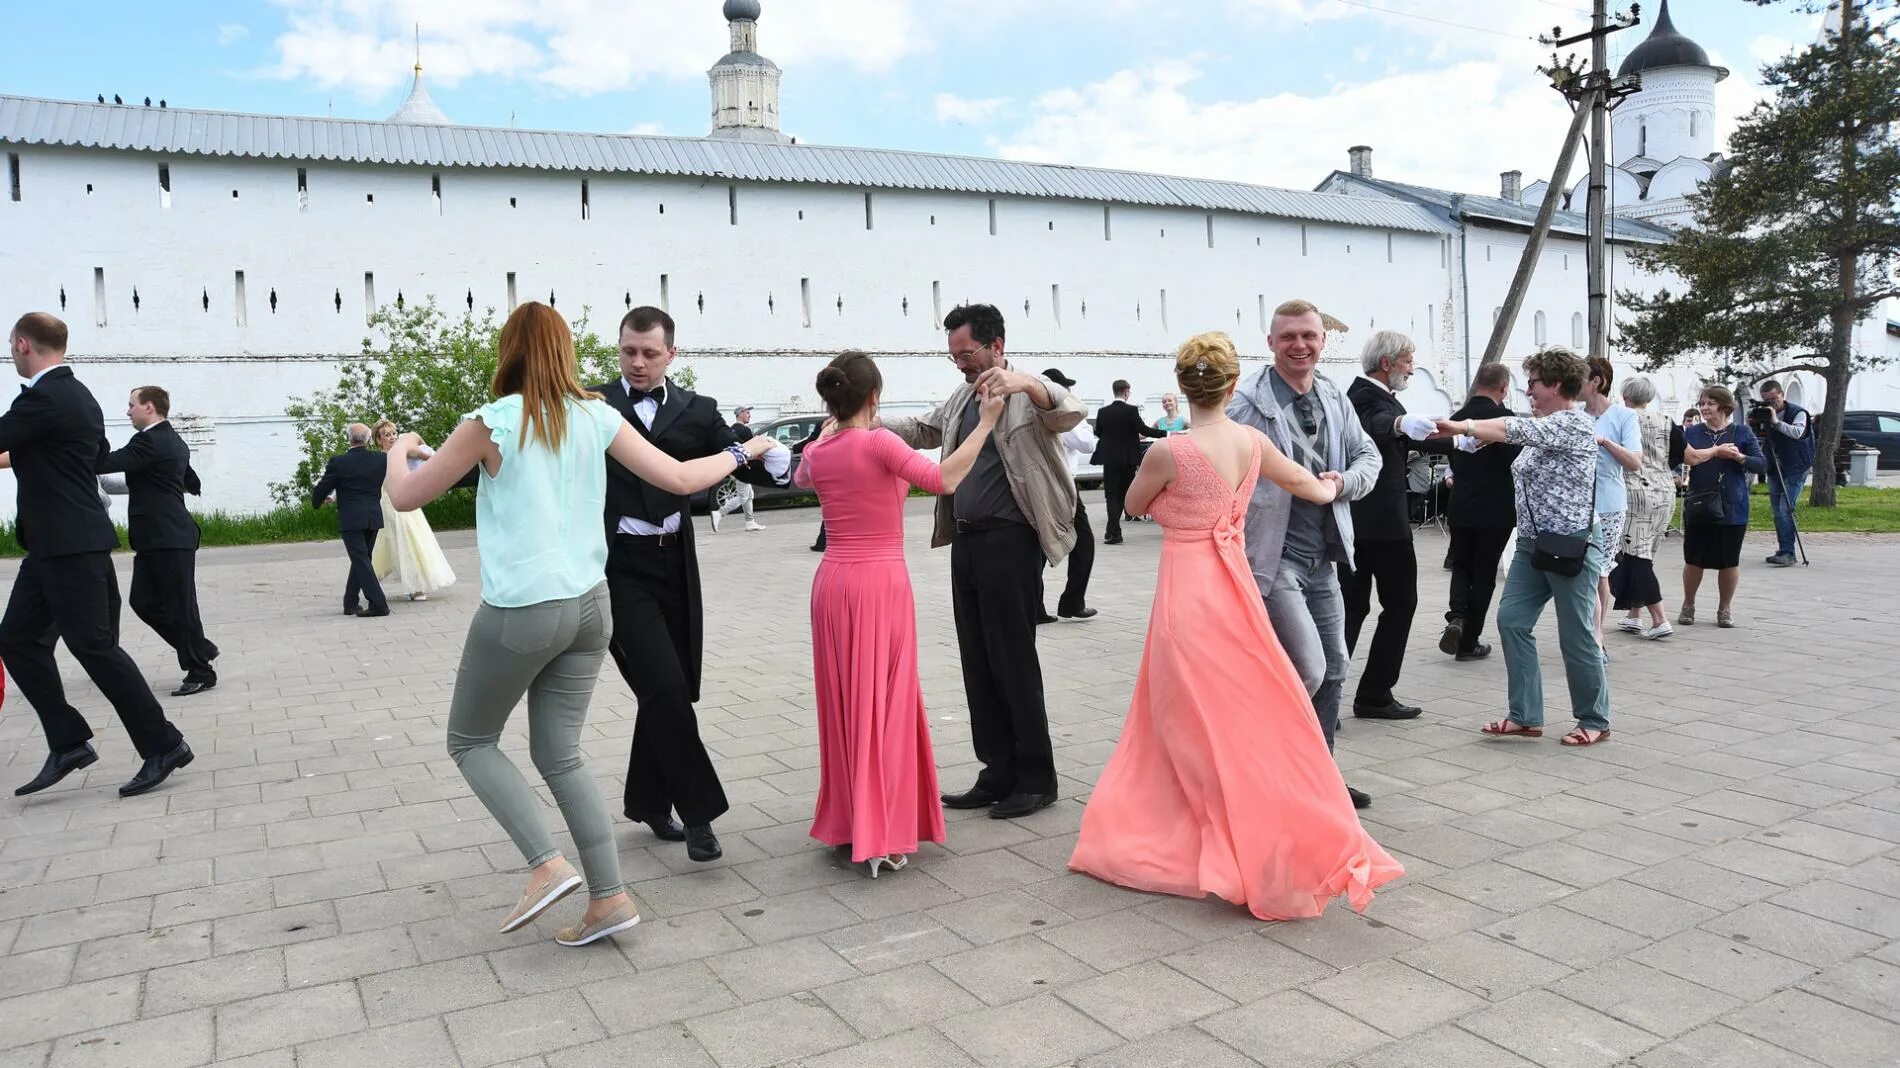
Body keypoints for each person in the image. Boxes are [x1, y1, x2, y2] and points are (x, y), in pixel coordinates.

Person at [383, 301, 775, 946]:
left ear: (508, 351)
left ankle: (545, 864)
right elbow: (680, 477)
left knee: (471, 742)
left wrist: (399, 448)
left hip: (524, 610)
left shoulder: (490, 421)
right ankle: (609, 898)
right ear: (567, 353)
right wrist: (744, 449)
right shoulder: (596, 414)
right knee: (559, 753)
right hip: (594, 605)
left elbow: (405, 496)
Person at [1069, 331, 1402, 919]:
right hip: (1237, 580)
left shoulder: (1168, 451)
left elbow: (1134, 507)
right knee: (1236, 699)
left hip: (1187, 585)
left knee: (1179, 705)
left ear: (1182, 385)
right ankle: (1250, 803)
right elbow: (1309, 488)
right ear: (1230, 385)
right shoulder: (1252, 441)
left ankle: (1195, 813)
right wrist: (1333, 483)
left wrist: (1181, 508)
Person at [592, 306, 791, 862]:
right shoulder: (591, 404)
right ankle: (698, 811)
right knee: (664, 686)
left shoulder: (698, 410)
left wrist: (776, 459)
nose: (636, 362)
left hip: (676, 563)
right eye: (628, 351)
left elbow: (742, 462)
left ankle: (648, 800)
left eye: (649, 353)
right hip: (617, 567)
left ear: (671, 354)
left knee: (671, 685)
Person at [798, 351, 1003, 875]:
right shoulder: (879, 441)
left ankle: (851, 821)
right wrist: (983, 424)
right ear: (874, 397)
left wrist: (824, 434)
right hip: (879, 583)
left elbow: (800, 478)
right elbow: (945, 479)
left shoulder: (820, 450)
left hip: (832, 584)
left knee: (846, 703)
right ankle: (880, 828)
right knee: (883, 702)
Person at [883, 303, 1085, 819]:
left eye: (966, 354)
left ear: (996, 344)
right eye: (953, 355)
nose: (960, 364)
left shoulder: (1026, 392)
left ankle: (1036, 778)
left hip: (1012, 540)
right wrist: (860, 420)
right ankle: (996, 770)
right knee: (978, 657)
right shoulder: (961, 398)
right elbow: (922, 428)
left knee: (1013, 657)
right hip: (967, 539)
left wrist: (1026, 384)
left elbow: (1068, 409)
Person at [0, 313, 193, 797]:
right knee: (18, 640)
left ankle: (164, 744)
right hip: (53, 544)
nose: (10, 352)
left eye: (10, 344)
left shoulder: (47, 396)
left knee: (95, 647)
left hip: (70, 546)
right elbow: (79, 454)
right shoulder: (75, 394)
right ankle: (68, 742)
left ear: (23, 344)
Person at [1227, 299, 1382, 809]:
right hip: (1272, 560)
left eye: (1309, 336)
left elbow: (1368, 456)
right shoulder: (1246, 401)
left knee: (1335, 665)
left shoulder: (1335, 395)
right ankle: (1272, 772)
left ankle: (1319, 776)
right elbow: (1216, 464)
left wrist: (1342, 484)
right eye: (1289, 336)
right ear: (1271, 343)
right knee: (1308, 669)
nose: (1300, 345)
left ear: (1322, 341)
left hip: (1325, 558)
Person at [1436, 347, 1611, 748]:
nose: (1527, 390)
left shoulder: (1572, 425)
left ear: (1554, 384)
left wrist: (1461, 426)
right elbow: (1503, 437)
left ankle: (1595, 718)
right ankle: (1525, 716)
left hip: (1572, 544)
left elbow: (1509, 431)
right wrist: (1447, 436)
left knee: (1576, 634)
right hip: (1532, 544)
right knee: (1512, 621)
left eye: (1532, 383)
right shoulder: (1541, 424)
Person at [1341, 330, 1451, 718]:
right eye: (1408, 359)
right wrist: (1402, 423)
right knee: (1395, 604)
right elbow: (1380, 424)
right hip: (1381, 526)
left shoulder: (1374, 396)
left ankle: (1339, 697)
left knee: (1352, 608)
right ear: (1386, 363)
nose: (1412, 366)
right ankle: (1371, 695)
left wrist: (1462, 438)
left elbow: (1406, 433)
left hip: (1361, 524)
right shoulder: (1364, 399)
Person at [95, 386, 219, 696]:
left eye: (131, 405)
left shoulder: (150, 441)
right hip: (158, 537)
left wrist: (92, 433)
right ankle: (199, 648)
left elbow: (104, 463)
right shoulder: (171, 440)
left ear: (149, 407)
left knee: (181, 606)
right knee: (143, 601)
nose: (127, 411)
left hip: (168, 536)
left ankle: (200, 670)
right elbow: (190, 479)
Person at [1440, 362, 1520, 661]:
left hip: (1461, 502)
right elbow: (1515, 461)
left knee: (1461, 563)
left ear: (1477, 384)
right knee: (1484, 573)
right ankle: (1469, 640)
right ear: (1504, 388)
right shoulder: (1506, 420)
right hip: (1495, 508)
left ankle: (1457, 616)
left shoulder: (1458, 418)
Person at [1679, 385, 1765, 628]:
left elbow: (1761, 465)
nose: (1704, 408)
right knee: (1693, 558)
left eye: (1710, 403)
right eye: (1702, 403)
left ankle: (1724, 609)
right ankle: (1688, 604)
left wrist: (1741, 458)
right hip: (1700, 503)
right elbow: (1683, 457)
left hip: (1732, 505)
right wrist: (1713, 453)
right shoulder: (1692, 433)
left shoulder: (1742, 432)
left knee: (1729, 560)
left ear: (1724, 406)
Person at [1581, 356, 1641, 657]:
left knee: (1600, 571)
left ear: (1596, 381)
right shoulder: (1576, 415)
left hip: (1609, 504)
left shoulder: (1623, 416)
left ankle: (1597, 636)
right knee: (1585, 571)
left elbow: (1634, 462)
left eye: (1579, 377)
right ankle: (1588, 634)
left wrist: (1604, 442)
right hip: (1577, 505)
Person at [1610, 377, 1678, 639]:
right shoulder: (1667, 422)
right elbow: (1682, 454)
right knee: (1643, 553)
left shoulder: (1622, 419)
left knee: (1636, 557)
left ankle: (1659, 618)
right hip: (1664, 492)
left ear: (1624, 394)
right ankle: (1634, 615)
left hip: (1633, 492)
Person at [370, 419, 457, 602]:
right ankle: (371, 579)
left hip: (408, 503)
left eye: (394, 433)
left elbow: (428, 454)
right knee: (387, 543)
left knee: (412, 542)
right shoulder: (378, 459)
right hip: (386, 504)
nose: (392, 437)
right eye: (386, 435)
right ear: (379, 440)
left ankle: (416, 587)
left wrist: (425, 453)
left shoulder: (405, 454)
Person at [311, 423, 391, 618]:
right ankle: (350, 603)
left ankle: (379, 604)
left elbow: (323, 486)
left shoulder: (339, 462)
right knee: (362, 559)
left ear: (349, 439)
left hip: (351, 518)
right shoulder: (381, 459)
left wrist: (317, 501)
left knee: (361, 560)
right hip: (373, 517)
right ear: (368, 439)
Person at [1040, 367, 1098, 624]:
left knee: (1039, 547)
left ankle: (1034, 605)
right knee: (1083, 543)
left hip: (1044, 486)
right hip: (1062, 487)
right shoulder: (1059, 414)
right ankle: (1072, 601)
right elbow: (1086, 443)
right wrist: (1076, 420)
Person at [1092, 380, 1166, 543]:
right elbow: (1143, 430)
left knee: (1111, 496)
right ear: (1126, 392)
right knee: (1125, 493)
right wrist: (1165, 434)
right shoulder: (1131, 410)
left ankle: (1113, 532)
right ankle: (1114, 530)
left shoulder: (1103, 411)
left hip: (1109, 458)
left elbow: (1098, 431)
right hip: (1127, 459)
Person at [1755, 379, 1813, 567]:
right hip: (1775, 466)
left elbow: (1797, 432)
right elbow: (1759, 438)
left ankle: (1789, 553)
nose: (1771, 404)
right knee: (1777, 511)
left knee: (1785, 509)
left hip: (1796, 466)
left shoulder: (1798, 413)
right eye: (1767, 400)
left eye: (1774, 399)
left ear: (1782, 394)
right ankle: (1783, 549)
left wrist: (1776, 422)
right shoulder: (1764, 414)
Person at [710, 404, 767, 533]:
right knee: (743, 496)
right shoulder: (745, 431)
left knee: (748, 494)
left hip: (735, 466)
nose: (749, 415)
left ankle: (750, 521)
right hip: (743, 467)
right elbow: (752, 449)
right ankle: (719, 513)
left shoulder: (731, 430)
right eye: (747, 412)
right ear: (740, 414)